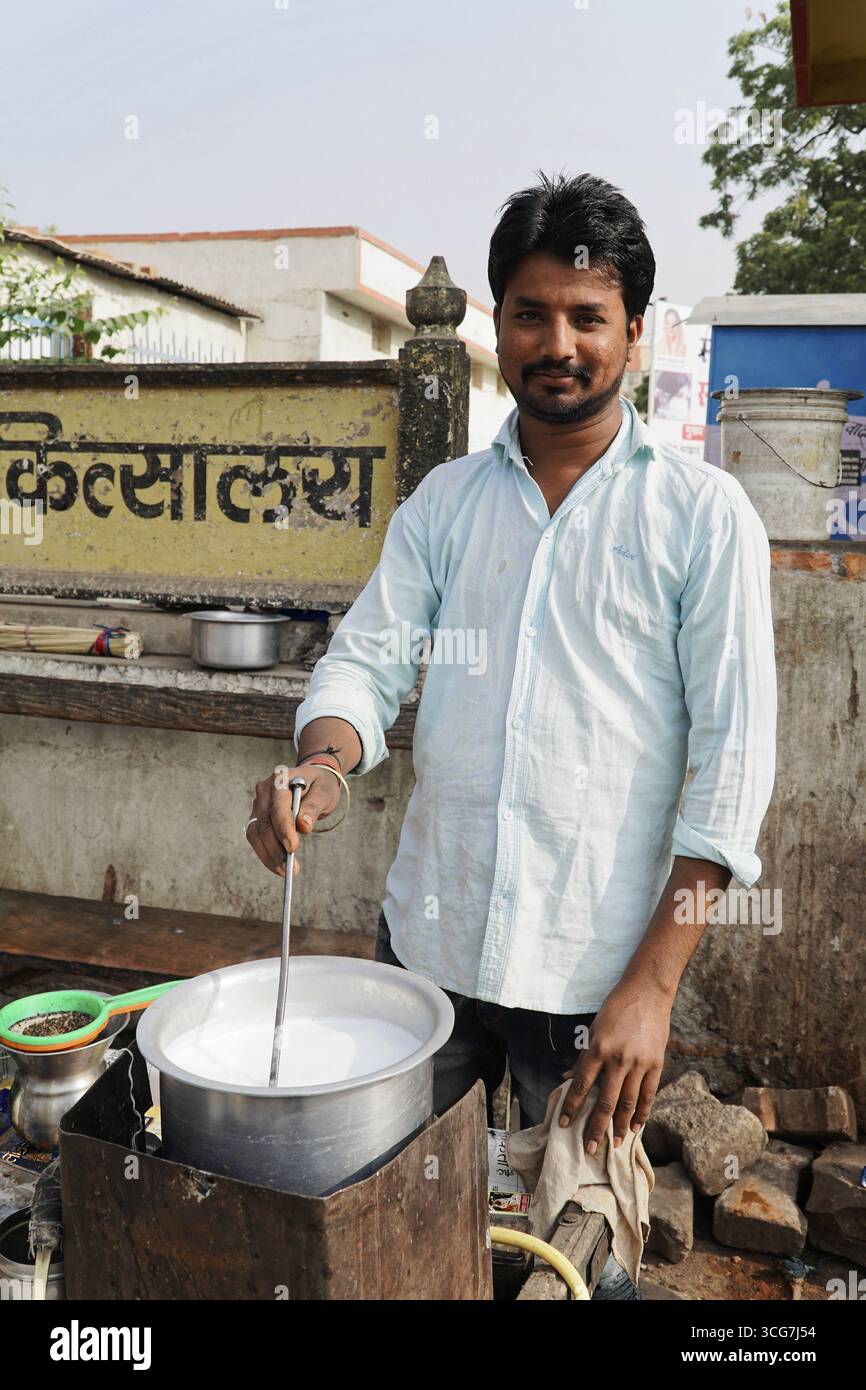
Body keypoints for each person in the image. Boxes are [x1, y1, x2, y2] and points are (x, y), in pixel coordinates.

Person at [246, 171, 777, 1300]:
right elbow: (367, 660)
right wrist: (321, 765)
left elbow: (731, 774)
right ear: (498, 324)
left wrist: (651, 990)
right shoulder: (444, 503)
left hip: (590, 977)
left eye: (588, 317)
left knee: (577, 1255)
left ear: (633, 333)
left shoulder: (697, 517)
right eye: (532, 312)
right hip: (427, 947)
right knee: (394, 1225)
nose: (557, 342)